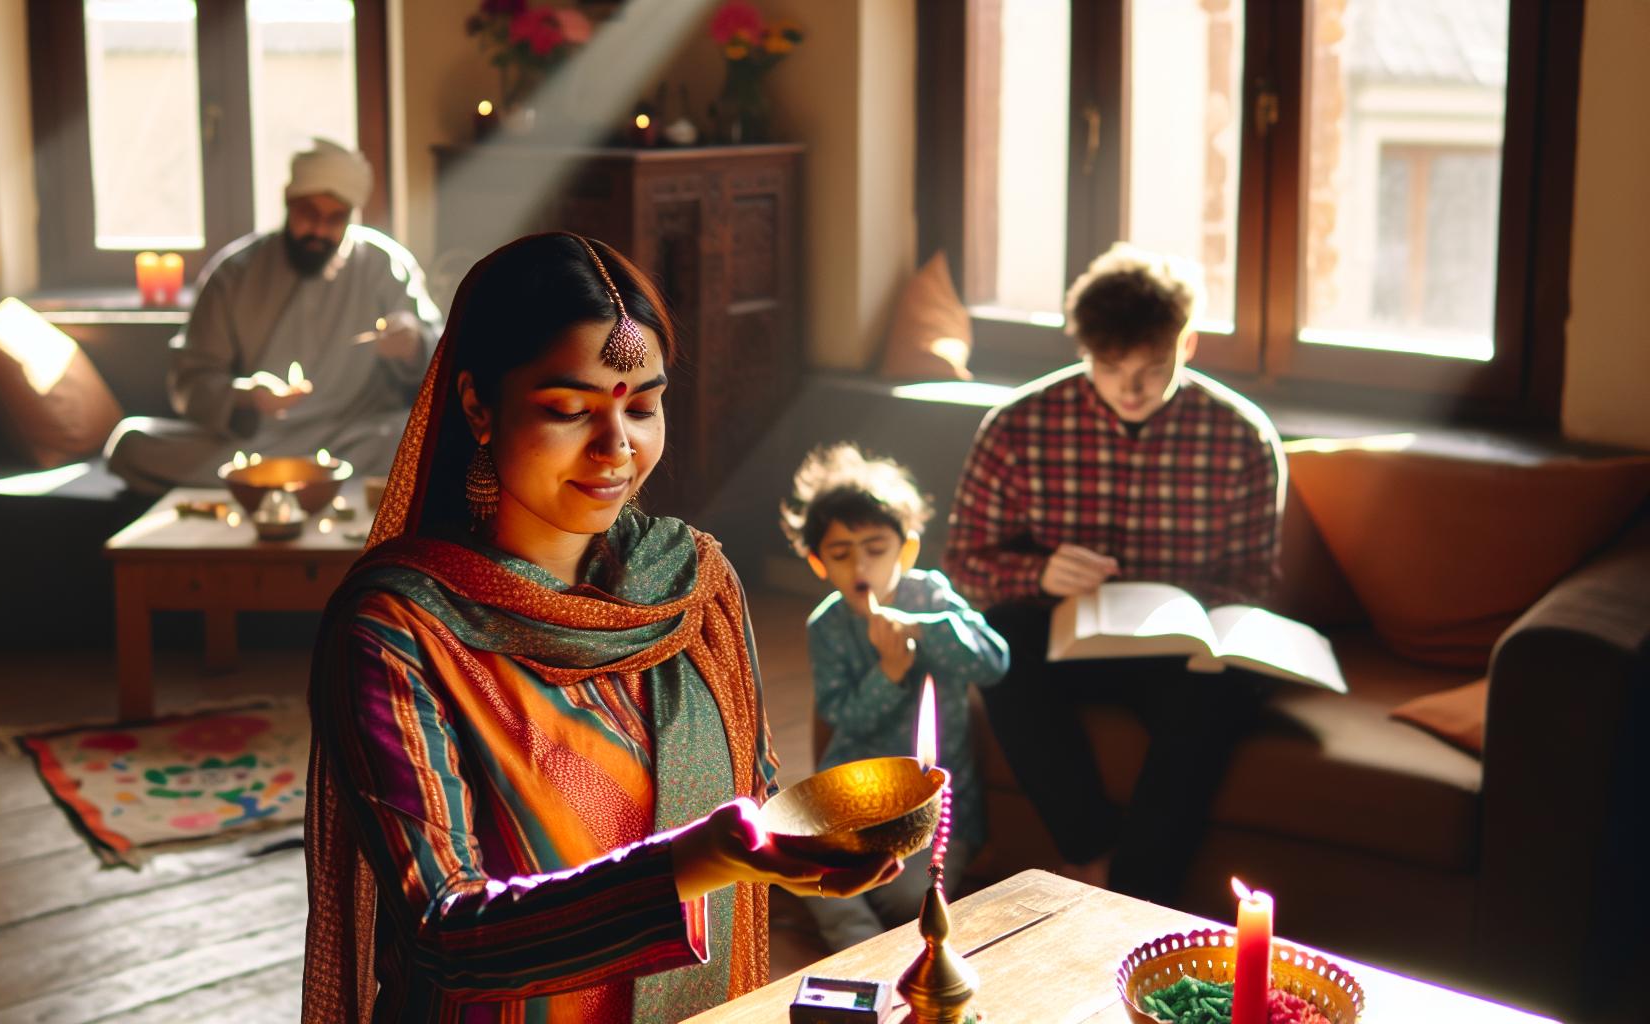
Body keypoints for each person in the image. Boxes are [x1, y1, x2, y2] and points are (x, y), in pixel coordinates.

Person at [302, 233, 902, 1023]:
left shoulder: (692, 583)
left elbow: (749, 792)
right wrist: (696, 861)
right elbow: (444, 932)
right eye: (568, 409)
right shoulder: (398, 631)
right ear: (479, 405)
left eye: (643, 406)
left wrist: (797, 847)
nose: (616, 447)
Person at [943, 242, 1284, 905]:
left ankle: (1134, 895)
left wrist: (1187, 606)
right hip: (1060, 636)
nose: (1131, 388)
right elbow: (963, 564)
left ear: (1188, 345)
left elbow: (1257, 581)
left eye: (1153, 368)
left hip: (1178, 653)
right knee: (1000, 648)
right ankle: (1091, 855)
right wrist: (1040, 574)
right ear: (1083, 350)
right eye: (1109, 366)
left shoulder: (1241, 435)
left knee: (1225, 694)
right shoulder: (1019, 425)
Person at [107, 138, 443, 493]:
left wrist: (413, 343)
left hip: (354, 440)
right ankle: (295, 481)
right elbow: (189, 385)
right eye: (308, 213)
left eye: (335, 218)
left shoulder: (385, 265)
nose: (319, 230)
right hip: (254, 447)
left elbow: (440, 360)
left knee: (430, 440)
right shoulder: (234, 273)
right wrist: (246, 396)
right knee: (131, 444)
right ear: (287, 199)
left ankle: (278, 484)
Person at [778, 443, 1009, 951]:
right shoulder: (828, 626)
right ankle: (860, 950)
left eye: (876, 549)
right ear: (819, 564)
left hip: (933, 807)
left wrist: (924, 631)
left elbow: (993, 661)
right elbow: (838, 714)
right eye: (840, 554)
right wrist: (888, 673)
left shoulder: (930, 597)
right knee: (799, 860)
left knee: (907, 898)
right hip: (851, 798)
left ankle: (879, 925)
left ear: (906, 550)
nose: (860, 566)